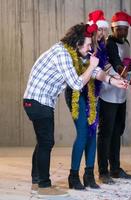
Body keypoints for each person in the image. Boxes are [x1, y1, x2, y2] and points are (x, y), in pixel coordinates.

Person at [23, 23, 100, 197]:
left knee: (42, 142)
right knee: (46, 142)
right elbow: (77, 84)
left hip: (35, 101)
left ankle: (36, 182)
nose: (90, 48)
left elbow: (86, 70)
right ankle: (44, 186)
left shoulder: (67, 52)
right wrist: (92, 66)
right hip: (39, 102)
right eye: (88, 45)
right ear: (78, 43)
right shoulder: (63, 54)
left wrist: (107, 76)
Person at [65, 10, 128, 190]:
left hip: (92, 92)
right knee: (84, 133)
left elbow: (103, 68)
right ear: (91, 30)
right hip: (77, 92)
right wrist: (108, 77)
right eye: (98, 30)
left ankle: (89, 175)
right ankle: (73, 175)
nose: (101, 34)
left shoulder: (100, 47)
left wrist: (116, 79)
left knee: (92, 133)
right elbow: (86, 72)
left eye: (103, 30)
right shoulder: (82, 45)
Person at [97, 11, 131, 184]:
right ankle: (103, 171)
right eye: (119, 29)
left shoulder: (126, 43)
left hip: (121, 96)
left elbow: (126, 65)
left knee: (117, 132)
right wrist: (125, 70)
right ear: (113, 28)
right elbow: (117, 63)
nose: (123, 33)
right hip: (108, 95)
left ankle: (116, 168)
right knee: (106, 133)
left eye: (125, 30)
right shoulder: (109, 43)